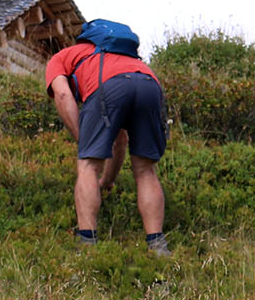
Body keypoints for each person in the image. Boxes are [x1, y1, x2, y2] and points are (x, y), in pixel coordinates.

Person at [44, 28, 168, 254]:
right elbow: (120, 139)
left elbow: (62, 95)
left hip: (108, 86)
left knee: (88, 165)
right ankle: (157, 245)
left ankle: (87, 243)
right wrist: (107, 182)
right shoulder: (125, 57)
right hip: (150, 83)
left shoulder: (62, 57)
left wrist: (83, 139)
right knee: (145, 170)